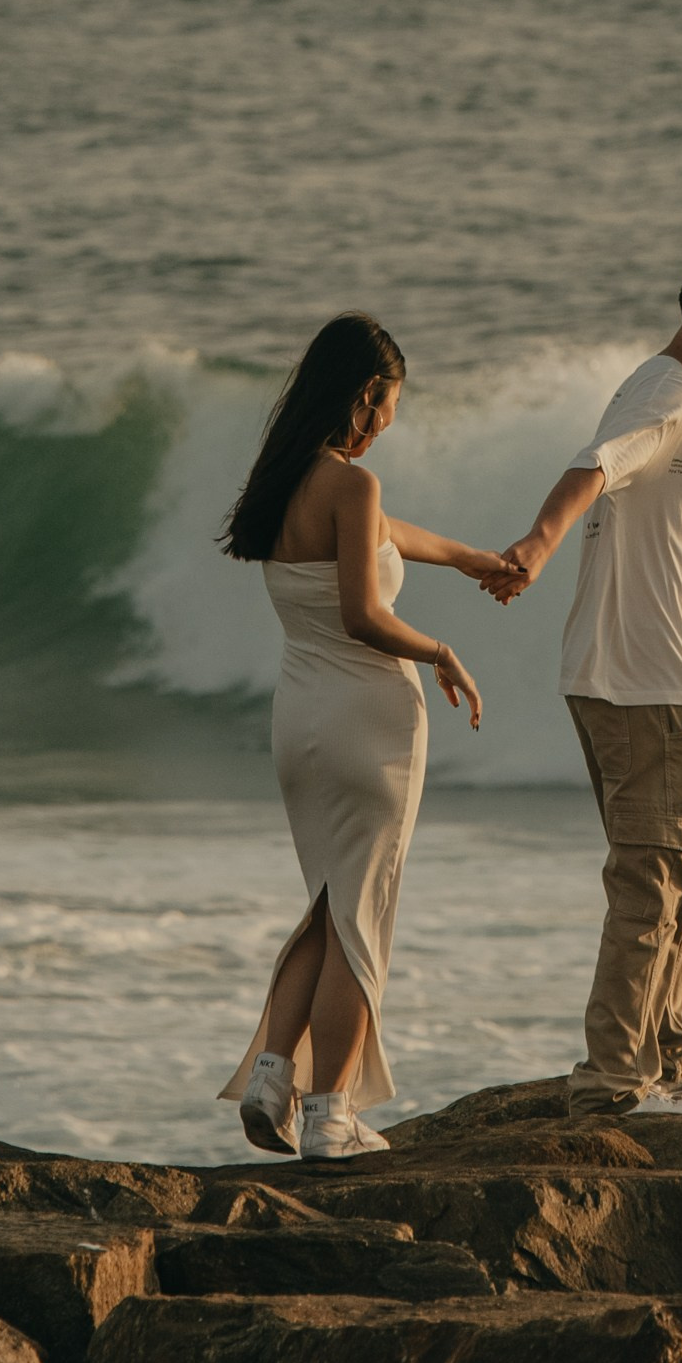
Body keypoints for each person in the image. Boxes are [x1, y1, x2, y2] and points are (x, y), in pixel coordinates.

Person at [488, 236, 682, 1119]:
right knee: (652, 880)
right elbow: (591, 471)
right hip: (633, 689)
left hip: (658, 679)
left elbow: (658, 555)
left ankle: (663, 1048)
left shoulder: (681, 396)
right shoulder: (664, 392)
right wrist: (536, 547)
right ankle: (614, 1079)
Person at [217, 312, 504, 1160]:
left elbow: (389, 538)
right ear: (360, 398)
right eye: (386, 406)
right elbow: (365, 614)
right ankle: (331, 1114)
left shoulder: (284, 484)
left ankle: (275, 1077)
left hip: (299, 722)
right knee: (357, 923)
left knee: (324, 908)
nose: (387, 424)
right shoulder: (352, 487)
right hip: (367, 722)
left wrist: (474, 558)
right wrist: (443, 651)